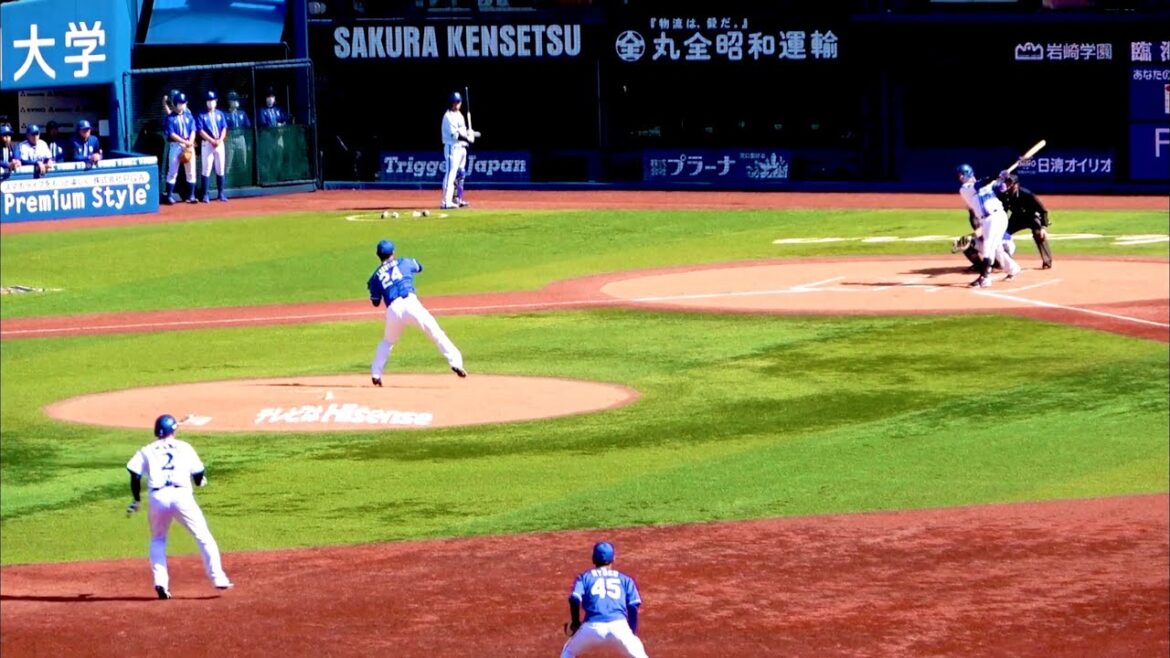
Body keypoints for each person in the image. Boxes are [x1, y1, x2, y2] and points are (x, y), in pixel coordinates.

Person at [125, 414, 233, 600]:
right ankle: (218, 578)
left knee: (158, 539)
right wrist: (200, 481)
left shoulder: (147, 450)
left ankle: (160, 582)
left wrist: (136, 500)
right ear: (173, 430)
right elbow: (198, 473)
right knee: (203, 536)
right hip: (181, 496)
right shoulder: (184, 447)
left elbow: (134, 474)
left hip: (158, 497)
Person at [366, 239, 467, 386]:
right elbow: (419, 267)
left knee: (387, 342)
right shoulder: (404, 262)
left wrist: (377, 285)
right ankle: (456, 363)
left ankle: (376, 374)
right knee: (436, 332)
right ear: (393, 252)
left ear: (378, 255)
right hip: (411, 305)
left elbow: (375, 302)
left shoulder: (374, 277)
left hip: (393, 310)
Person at [561, 541, 649, 658]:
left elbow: (574, 599)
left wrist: (576, 622)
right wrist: (631, 631)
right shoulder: (625, 579)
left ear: (593, 559)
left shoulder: (584, 577)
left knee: (568, 652)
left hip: (592, 627)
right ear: (613, 559)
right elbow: (633, 605)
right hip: (619, 627)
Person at [956, 163, 1019, 288]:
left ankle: (985, 278)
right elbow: (981, 184)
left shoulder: (987, 185)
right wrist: (996, 176)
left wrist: (1006, 180)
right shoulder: (964, 189)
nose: (960, 177)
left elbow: (1001, 187)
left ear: (969, 173)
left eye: (962, 174)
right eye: (959, 175)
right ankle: (1013, 268)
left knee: (988, 246)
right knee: (996, 248)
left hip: (996, 216)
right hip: (986, 220)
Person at [998, 173, 1054, 269]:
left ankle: (1047, 261)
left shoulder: (1027, 194)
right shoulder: (1004, 195)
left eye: (1010, 183)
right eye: (1007, 183)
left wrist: (1043, 227)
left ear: (1016, 185)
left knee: (1039, 234)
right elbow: (1003, 211)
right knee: (1000, 234)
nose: (1008, 185)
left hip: (1031, 217)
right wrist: (1000, 225)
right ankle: (1001, 261)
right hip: (1016, 218)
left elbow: (1043, 210)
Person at [440, 91, 479, 210]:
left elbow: (462, 131)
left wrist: (470, 133)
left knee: (461, 174)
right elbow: (455, 135)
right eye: (455, 102)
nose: (457, 104)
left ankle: (458, 199)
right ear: (451, 103)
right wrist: (468, 138)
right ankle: (446, 202)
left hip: (462, 147)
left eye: (458, 102)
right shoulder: (448, 116)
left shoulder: (460, 115)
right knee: (451, 173)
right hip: (452, 147)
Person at [164, 92, 198, 204]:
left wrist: (190, 142)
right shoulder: (170, 117)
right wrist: (184, 142)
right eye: (180, 103)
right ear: (175, 104)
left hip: (189, 145)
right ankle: (169, 196)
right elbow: (171, 134)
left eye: (184, 103)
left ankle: (191, 195)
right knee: (172, 171)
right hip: (176, 145)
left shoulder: (188, 115)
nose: (182, 105)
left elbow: (193, 130)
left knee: (191, 171)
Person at [197, 90, 229, 202]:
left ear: (216, 101)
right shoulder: (202, 114)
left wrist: (220, 140)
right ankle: (205, 194)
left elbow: (224, 128)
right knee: (206, 168)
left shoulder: (220, 114)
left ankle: (221, 193)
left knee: (220, 168)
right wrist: (211, 140)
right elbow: (200, 130)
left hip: (219, 143)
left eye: (212, 100)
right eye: (208, 101)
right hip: (207, 144)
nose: (210, 103)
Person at [223, 90, 252, 182]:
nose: (236, 102)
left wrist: (248, 142)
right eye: (234, 100)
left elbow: (248, 126)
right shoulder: (225, 114)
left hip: (240, 137)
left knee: (243, 160)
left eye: (237, 100)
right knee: (228, 163)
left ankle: (243, 181)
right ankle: (226, 182)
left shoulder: (242, 113)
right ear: (229, 102)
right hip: (229, 139)